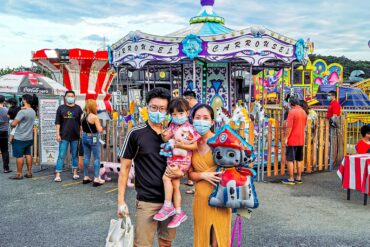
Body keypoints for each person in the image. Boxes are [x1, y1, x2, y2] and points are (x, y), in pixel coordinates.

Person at [117, 87, 178, 247]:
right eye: (154, 107)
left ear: (168, 111)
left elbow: (184, 162)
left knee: (166, 242)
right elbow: (124, 169)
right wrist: (121, 201)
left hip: (169, 201)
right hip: (147, 201)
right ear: (147, 108)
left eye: (162, 108)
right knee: (142, 244)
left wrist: (180, 172)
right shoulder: (136, 133)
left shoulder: (174, 134)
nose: (158, 111)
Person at [188, 104, 231, 247]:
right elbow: (190, 175)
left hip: (220, 197)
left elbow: (233, 167)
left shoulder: (221, 141)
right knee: (203, 239)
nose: (201, 121)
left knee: (217, 241)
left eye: (205, 118)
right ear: (192, 120)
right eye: (198, 117)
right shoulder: (190, 144)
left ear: (212, 121)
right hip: (201, 198)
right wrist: (203, 175)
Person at [153, 98, 201, 228]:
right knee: (175, 185)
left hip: (182, 161)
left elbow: (196, 146)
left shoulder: (190, 128)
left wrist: (183, 145)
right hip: (173, 159)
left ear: (187, 113)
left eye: (180, 113)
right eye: (174, 114)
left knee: (166, 177)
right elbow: (166, 137)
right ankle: (179, 212)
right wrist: (164, 134)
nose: (177, 116)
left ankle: (168, 206)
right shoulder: (172, 125)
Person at [54, 90, 83, 182]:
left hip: (75, 136)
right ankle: (58, 174)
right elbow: (57, 122)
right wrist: (57, 134)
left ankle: (75, 173)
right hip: (64, 136)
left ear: (75, 98)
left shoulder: (78, 108)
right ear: (65, 97)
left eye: (72, 96)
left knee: (74, 155)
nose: (70, 97)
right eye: (68, 96)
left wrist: (81, 133)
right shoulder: (61, 108)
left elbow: (81, 123)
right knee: (61, 155)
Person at [8, 94, 36, 179]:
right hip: (29, 137)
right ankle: (29, 173)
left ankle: (19, 174)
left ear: (24, 100)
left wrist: (12, 124)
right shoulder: (33, 111)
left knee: (19, 156)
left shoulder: (22, 112)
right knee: (28, 154)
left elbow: (13, 124)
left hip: (19, 137)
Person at [282, 97, 307, 185]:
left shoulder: (292, 112)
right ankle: (299, 178)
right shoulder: (303, 111)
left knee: (290, 159)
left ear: (291, 103)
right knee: (299, 159)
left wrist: (286, 138)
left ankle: (291, 178)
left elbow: (289, 127)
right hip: (301, 138)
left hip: (292, 138)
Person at [81, 99, 104, 186]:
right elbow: (99, 129)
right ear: (92, 106)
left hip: (84, 136)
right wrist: (101, 128)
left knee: (86, 157)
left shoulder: (82, 115)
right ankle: (96, 178)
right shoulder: (94, 117)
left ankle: (85, 177)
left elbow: (82, 127)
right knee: (97, 158)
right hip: (93, 137)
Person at [183, 90, 200, 192]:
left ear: (189, 98)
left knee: (197, 163)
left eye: (185, 100)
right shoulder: (193, 109)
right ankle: (192, 183)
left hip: (197, 139)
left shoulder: (198, 108)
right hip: (193, 138)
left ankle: (196, 187)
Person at [0, 95, 11, 173]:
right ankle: (6, 168)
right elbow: (9, 119)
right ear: (4, 101)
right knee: (4, 150)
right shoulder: (6, 110)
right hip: (4, 131)